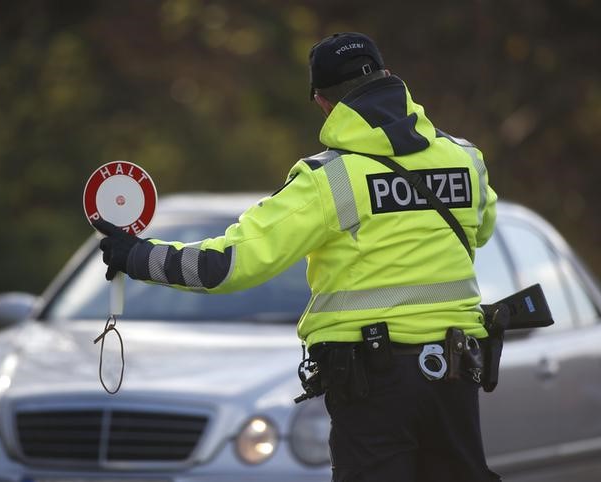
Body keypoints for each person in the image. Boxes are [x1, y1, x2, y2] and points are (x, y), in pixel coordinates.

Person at [93, 32, 500, 482]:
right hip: (456, 376)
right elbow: (481, 232)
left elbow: (226, 266)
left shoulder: (328, 181)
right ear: (389, 79)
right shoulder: (466, 160)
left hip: (373, 384)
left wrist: (137, 257)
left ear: (324, 104)